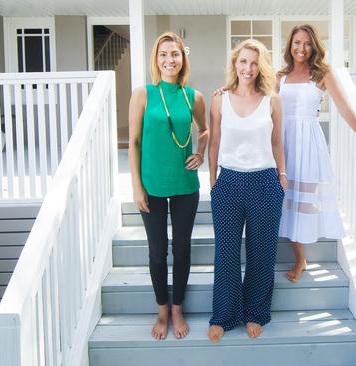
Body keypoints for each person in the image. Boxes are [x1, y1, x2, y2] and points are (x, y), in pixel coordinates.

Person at [277, 24, 356, 282]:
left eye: (307, 43)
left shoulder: (322, 74)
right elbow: (259, 101)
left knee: (303, 203)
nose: (301, 48)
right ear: (290, 45)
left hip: (308, 144)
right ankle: (300, 256)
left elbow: (346, 108)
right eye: (297, 42)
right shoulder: (279, 76)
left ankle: (300, 260)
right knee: (283, 200)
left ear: (314, 46)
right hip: (283, 143)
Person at [128, 32, 208, 340]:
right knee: (158, 251)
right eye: (163, 54)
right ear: (156, 59)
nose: (169, 59)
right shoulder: (143, 94)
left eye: (174, 54)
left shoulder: (193, 96)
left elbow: (206, 129)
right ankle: (162, 308)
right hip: (152, 185)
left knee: (182, 249)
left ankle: (177, 307)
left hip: (185, 184)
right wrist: (136, 186)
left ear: (182, 58)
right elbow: (133, 143)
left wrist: (200, 153)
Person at [207, 39, 287, 342]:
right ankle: (225, 316)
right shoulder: (219, 99)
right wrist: (212, 182)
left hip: (265, 182)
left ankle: (255, 312)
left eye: (254, 63)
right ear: (234, 64)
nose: (248, 68)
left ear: (261, 66)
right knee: (226, 252)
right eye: (243, 62)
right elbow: (214, 142)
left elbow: (278, 141)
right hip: (228, 183)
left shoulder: (272, 100)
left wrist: (282, 176)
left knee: (262, 252)